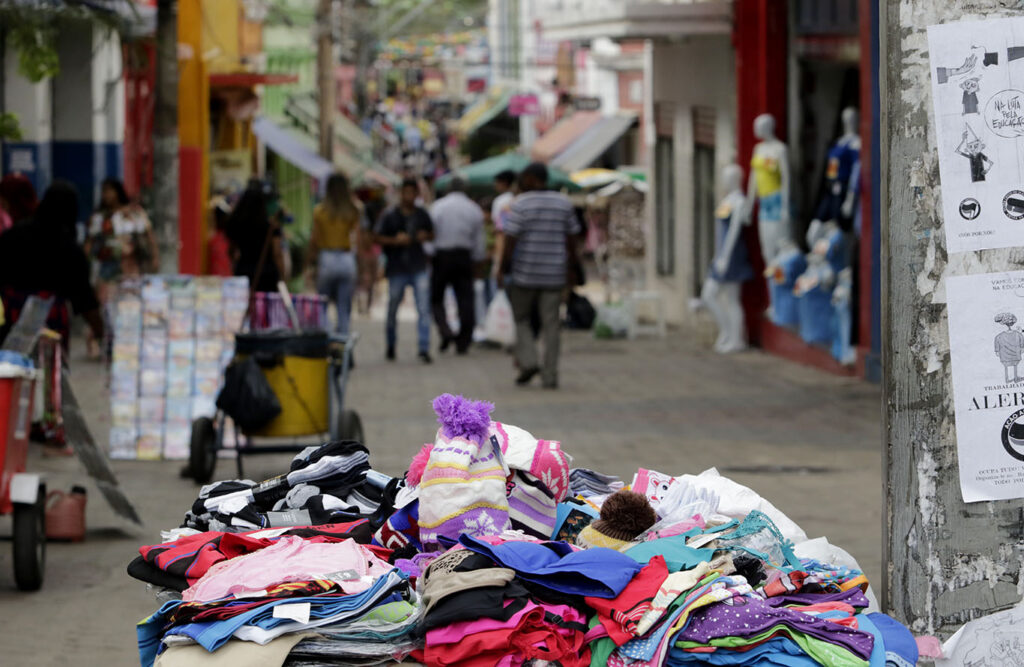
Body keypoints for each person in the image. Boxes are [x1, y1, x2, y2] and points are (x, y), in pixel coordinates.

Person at [498, 163, 580, 389]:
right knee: (551, 326)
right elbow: (572, 239)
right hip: (554, 275)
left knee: (521, 319)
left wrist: (503, 269)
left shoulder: (521, 204)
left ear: (533, 179)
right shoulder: (563, 203)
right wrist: (573, 268)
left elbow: (510, 239)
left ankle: (530, 361)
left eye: (524, 178)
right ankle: (550, 375)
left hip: (525, 274)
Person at [0, 181, 104, 352]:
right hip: (51, 323)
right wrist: (102, 333)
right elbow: (84, 298)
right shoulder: (69, 247)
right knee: (48, 373)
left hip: (12, 317)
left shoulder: (13, 234)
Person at [84, 178, 159, 358]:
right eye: (105, 191)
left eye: (111, 190)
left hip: (130, 268)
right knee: (107, 307)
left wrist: (154, 258)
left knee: (130, 305)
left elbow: (148, 237)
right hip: (107, 269)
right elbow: (90, 243)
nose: (107, 195)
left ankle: (129, 343)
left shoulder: (134, 214)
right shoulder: (100, 218)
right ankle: (109, 343)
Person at [374, 178, 434, 363]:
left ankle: (424, 347)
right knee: (392, 308)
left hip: (417, 265)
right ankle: (391, 345)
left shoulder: (422, 214)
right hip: (397, 267)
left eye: (412, 192)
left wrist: (424, 236)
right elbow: (377, 237)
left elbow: (432, 234)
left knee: (423, 308)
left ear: (416, 194)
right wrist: (395, 241)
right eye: (406, 192)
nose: (409, 196)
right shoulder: (390, 215)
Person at [428, 178, 485, 354]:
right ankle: (463, 340)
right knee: (465, 299)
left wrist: (429, 255)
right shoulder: (473, 209)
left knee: (436, 298)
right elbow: (479, 241)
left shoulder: (438, 207)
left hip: (442, 256)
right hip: (464, 257)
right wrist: (478, 261)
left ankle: (445, 330)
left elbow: (431, 234)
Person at [307, 173, 363, 336]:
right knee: (343, 307)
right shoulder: (353, 210)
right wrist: (360, 266)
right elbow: (357, 241)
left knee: (323, 306)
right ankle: (344, 346)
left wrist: (309, 263)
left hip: (327, 259)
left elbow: (314, 240)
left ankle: (328, 341)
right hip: (347, 260)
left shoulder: (319, 211)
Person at [225, 181, 287, 293]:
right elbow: (277, 253)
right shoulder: (271, 228)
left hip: (243, 274)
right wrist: (283, 277)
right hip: (268, 275)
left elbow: (231, 251)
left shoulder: (237, 226)